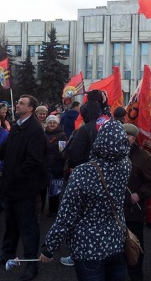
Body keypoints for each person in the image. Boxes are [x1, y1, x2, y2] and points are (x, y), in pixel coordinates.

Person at [39, 118, 132, 281]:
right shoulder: (126, 165)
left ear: (99, 140)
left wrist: (49, 248)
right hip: (117, 240)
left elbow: (67, 215)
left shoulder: (84, 172)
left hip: (88, 246)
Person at [0, 95, 48, 281]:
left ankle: (31, 264)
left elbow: (34, 160)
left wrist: (16, 176)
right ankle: (7, 254)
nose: (17, 105)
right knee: (11, 223)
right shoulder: (16, 126)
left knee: (28, 227)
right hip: (11, 186)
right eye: (18, 102)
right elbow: (6, 149)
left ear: (30, 108)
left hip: (24, 187)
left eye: (21, 103)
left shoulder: (35, 129)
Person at [59, 89, 112, 267]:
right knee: (101, 219)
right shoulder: (110, 125)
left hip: (85, 180)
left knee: (80, 218)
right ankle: (103, 252)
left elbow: (74, 156)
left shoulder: (85, 130)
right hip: (107, 180)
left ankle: (78, 254)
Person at [122, 123, 151, 281]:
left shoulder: (143, 156)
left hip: (134, 210)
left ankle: (136, 276)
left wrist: (139, 194)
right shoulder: (114, 153)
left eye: (126, 135)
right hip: (115, 210)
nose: (122, 138)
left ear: (133, 138)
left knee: (134, 246)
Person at [44, 114, 67, 218]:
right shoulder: (43, 134)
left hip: (55, 165)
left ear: (57, 124)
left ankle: (53, 210)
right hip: (45, 165)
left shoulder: (61, 135)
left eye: (54, 122)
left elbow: (63, 151)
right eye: (50, 122)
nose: (52, 124)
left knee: (54, 189)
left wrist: (58, 160)